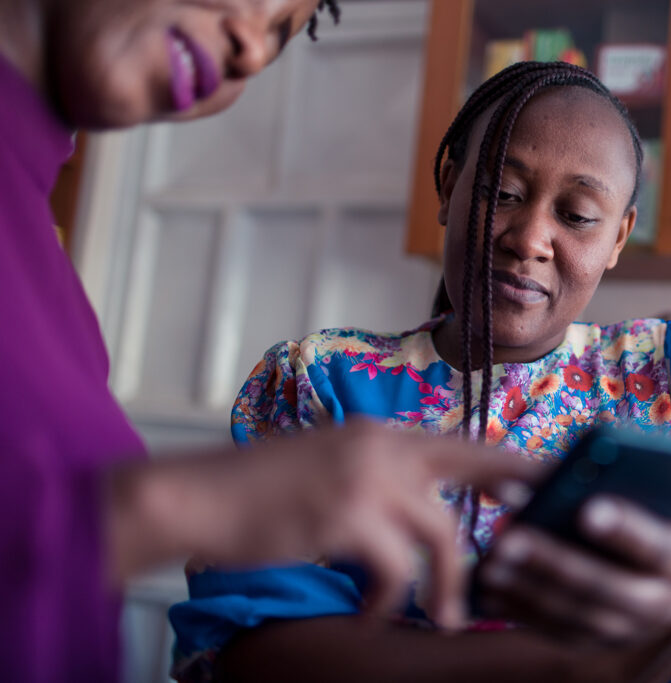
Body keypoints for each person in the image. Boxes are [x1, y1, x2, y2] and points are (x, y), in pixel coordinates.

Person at [170, 62, 671, 682]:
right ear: (450, 183)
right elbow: (250, 643)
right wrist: (559, 665)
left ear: (617, 239)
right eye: (504, 194)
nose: (529, 239)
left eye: (577, 215)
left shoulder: (659, 375)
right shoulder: (318, 381)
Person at [0, 2, 536, 681]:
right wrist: (173, 505)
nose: (252, 49)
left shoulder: (46, 264)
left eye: (283, 34)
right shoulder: (315, 379)